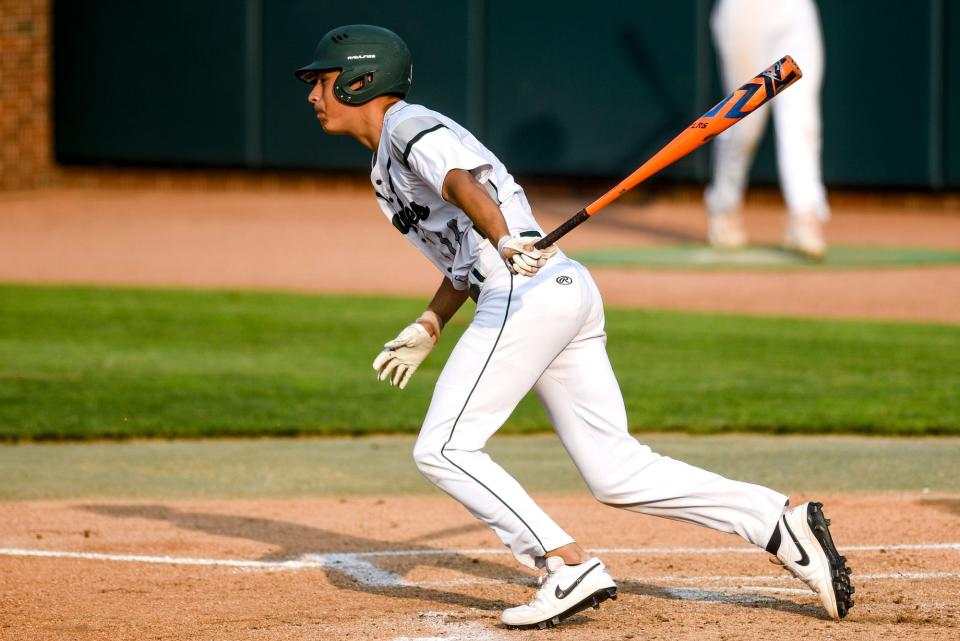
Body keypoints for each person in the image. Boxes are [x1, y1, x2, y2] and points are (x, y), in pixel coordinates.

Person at [296, 24, 854, 629]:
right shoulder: (388, 158)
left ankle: (564, 564)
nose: (312, 95)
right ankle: (778, 522)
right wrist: (431, 323)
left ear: (359, 80)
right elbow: (464, 253)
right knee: (616, 471)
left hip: (525, 290)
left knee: (444, 447)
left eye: (321, 81)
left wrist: (505, 236)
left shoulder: (408, 127)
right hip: (552, 288)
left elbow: (463, 182)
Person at [705, 0, 829, 258]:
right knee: (744, 125)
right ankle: (724, 204)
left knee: (802, 116)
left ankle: (805, 214)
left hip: (796, 9)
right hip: (745, 10)